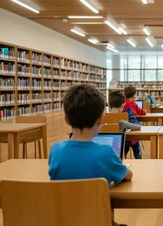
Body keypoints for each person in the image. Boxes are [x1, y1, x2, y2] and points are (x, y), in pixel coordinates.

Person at [48, 84, 132, 226]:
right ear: (101, 119)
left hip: (64, 221)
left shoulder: (56, 151)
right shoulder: (106, 153)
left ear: (67, 119)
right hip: (98, 221)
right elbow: (127, 175)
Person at [121, 85, 146, 159]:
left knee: (123, 155)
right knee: (137, 154)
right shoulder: (133, 104)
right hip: (134, 134)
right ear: (134, 95)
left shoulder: (122, 103)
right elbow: (142, 112)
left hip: (124, 134)